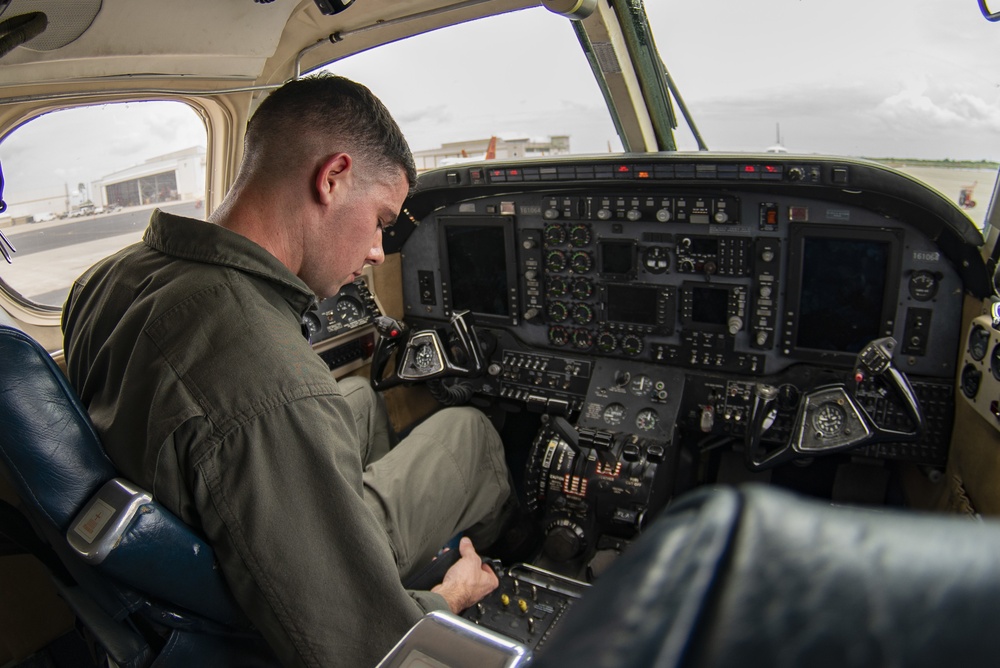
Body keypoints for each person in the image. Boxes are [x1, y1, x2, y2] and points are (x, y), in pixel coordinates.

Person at [61, 73, 513, 667]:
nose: (379, 251)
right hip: (255, 584)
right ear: (332, 178)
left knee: (358, 396)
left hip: (180, 525)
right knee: (468, 432)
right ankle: (502, 553)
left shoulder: (109, 277)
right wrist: (449, 596)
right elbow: (360, 648)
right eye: (380, 219)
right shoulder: (269, 382)